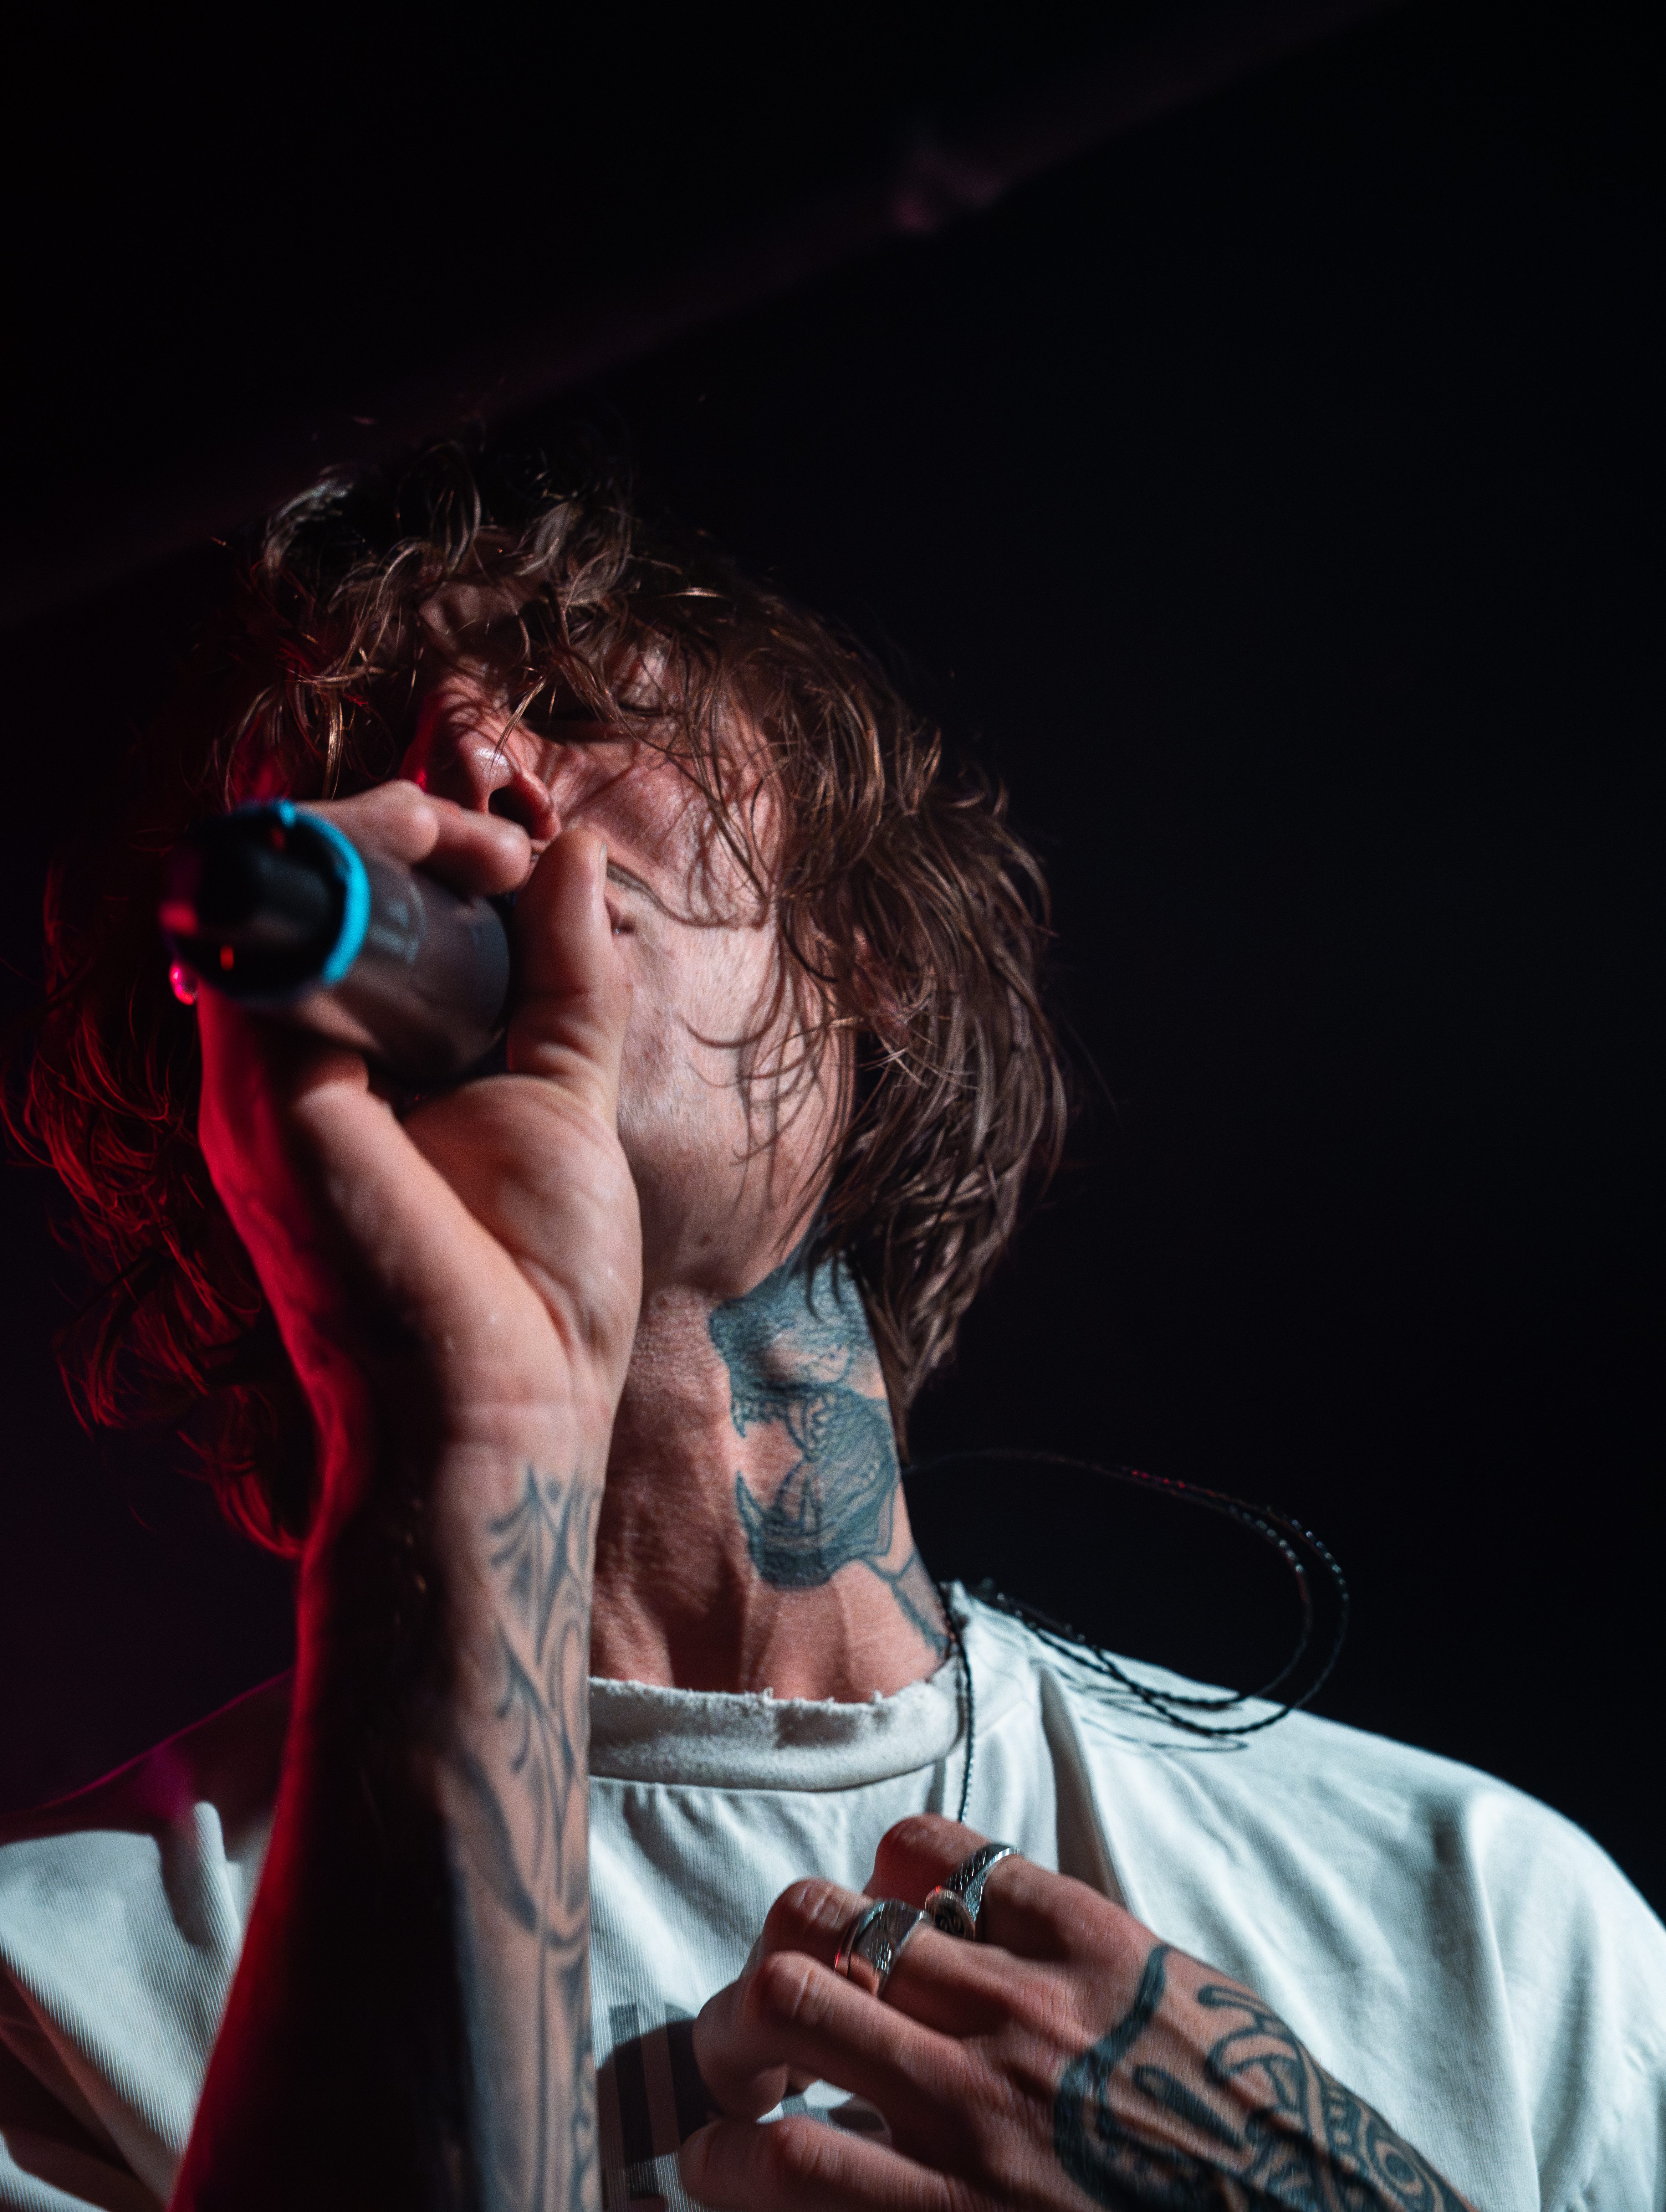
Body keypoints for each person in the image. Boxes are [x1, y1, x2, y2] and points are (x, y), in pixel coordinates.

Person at [1, 444, 1660, 2212]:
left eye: (565, 704)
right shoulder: (55, 1995)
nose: (475, 771)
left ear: (864, 948)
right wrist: (466, 1440)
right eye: (359, 782)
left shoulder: (1484, 1921)